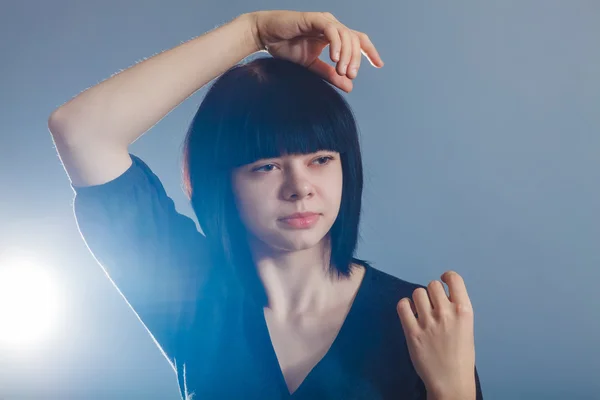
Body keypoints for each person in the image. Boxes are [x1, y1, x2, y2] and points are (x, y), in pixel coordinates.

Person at [48, 10, 483, 400]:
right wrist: (250, 31)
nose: (300, 188)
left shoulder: (420, 319)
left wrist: (453, 389)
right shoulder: (191, 290)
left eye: (321, 159)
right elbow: (80, 130)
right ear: (223, 182)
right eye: (266, 166)